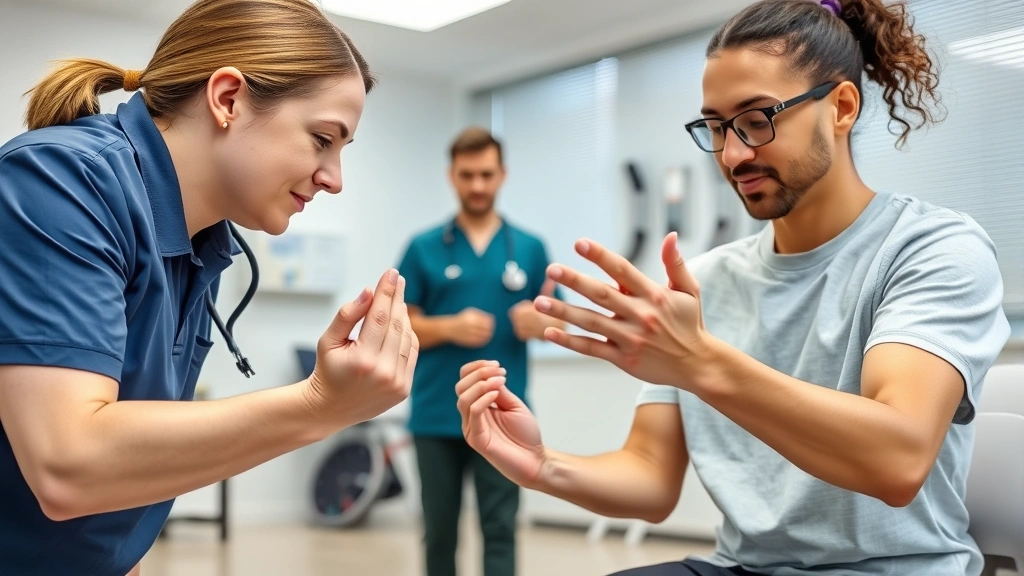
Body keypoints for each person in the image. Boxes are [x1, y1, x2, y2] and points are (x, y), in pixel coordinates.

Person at [454, 0, 1011, 575]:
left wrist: (699, 361)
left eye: (757, 119)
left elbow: (897, 460)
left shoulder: (931, 248)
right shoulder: (707, 282)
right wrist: (541, 465)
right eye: (717, 127)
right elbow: (650, 475)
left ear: (842, 107)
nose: (734, 154)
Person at [0, 1, 418, 575]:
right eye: (322, 138)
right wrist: (320, 404)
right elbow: (67, 466)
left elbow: (124, 479)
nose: (334, 179)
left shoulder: (203, 244)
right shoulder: (61, 181)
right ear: (227, 99)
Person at [396, 127, 564, 576]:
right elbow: (398, 324)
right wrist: (448, 326)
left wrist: (540, 323)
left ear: (502, 175)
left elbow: (558, 321)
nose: (477, 185)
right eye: (467, 175)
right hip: (437, 413)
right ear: (451, 176)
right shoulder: (423, 247)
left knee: (501, 527)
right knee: (439, 534)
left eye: (486, 175)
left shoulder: (529, 248)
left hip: (503, 414)